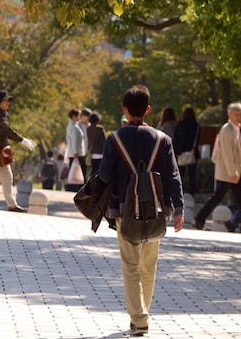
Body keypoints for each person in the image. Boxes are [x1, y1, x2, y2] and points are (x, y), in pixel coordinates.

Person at [99, 84, 184, 337]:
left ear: (125, 110)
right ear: (148, 110)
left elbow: (104, 175)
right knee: (149, 266)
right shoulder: (164, 140)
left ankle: (139, 318)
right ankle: (142, 313)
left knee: (130, 265)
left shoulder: (114, 140)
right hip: (157, 211)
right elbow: (173, 176)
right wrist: (178, 209)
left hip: (125, 212)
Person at [192, 103, 241, 233]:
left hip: (234, 172)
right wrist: (233, 173)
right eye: (236, 114)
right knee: (219, 197)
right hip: (228, 172)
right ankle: (199, 219)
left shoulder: (235, 128)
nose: (239, 116)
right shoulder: (227, 129)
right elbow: (227, 153)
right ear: (229, 114)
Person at [173, 107, 200, 194]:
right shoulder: (196, 125)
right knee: (192, 174)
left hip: (181, 152)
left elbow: (176, 139)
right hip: (193, 152)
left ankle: (179, 192)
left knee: (180, 174)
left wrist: (176, 151)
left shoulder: (180, 124)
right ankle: (192, 192)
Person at [64, 108, 87, 192]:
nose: (79, 117)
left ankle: (73, 187)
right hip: (76, 153)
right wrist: (75, 152)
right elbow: (74, 140)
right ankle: (75, 187)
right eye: (78, 115)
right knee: (78, 170)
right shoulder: (74, 127)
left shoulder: (72, 126)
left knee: (74, 170)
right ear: (74, 116)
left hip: (74, 152)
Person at [87, 112, 107, 176]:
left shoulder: (88, 129)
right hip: (100, 154)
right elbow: (105, 142)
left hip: (92, 154)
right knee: (100, 173)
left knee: (93, 173)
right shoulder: (100, 129)